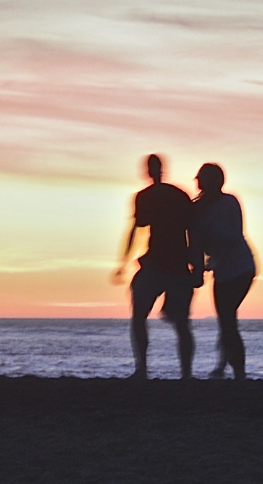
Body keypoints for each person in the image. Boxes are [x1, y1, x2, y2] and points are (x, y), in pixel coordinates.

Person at [114, 154, 198, 380]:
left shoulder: (154, 196)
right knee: (169, 321)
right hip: (164, 264)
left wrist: (197, 266)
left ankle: (153, 370)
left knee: (171, 321)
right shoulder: (173, 195)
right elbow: (192, 232)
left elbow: (137, 229)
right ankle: (158, 370)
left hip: (170, 265)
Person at [192, 163, 256, 380]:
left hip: (240, 267)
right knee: (226, 319)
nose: (197, 181)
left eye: (200, 177)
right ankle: (224, 365)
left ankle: (237, 371)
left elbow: (234, 235)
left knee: (228, 319)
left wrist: (208, 241)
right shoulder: (197, 208)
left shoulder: (229, 202)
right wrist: (199, 268)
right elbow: (196, 243)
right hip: (222, 269)